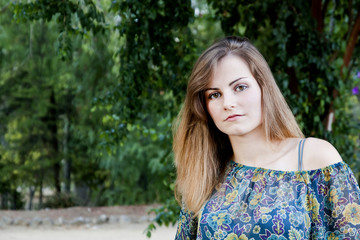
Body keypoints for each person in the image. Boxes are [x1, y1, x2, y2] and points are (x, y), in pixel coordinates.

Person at [173, 36, 360, 239]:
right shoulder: (204, 173)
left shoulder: (315, 159)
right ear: (204, 107)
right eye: (214, 95)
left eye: (240, 87)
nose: (228, 103)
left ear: (264, 88)